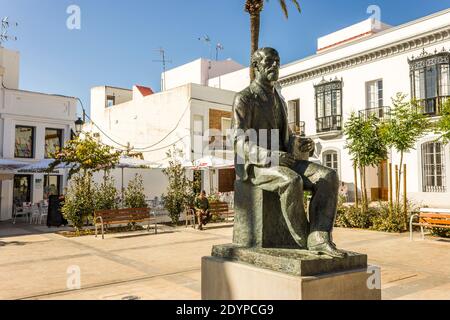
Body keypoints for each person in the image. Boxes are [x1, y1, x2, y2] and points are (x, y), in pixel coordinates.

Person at [232, 47, 346, 258]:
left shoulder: (280, 100)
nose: (275, 65)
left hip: (285, 159)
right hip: (257, 166)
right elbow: (239, 141)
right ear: (256, 67)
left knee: (328, 177)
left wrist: (299, 143)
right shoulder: (244, 99)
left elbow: (286, 137)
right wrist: (270, 156)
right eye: (269, 62)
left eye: (277, 61)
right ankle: (304, 239)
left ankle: (319, 237)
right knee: (291, 181)